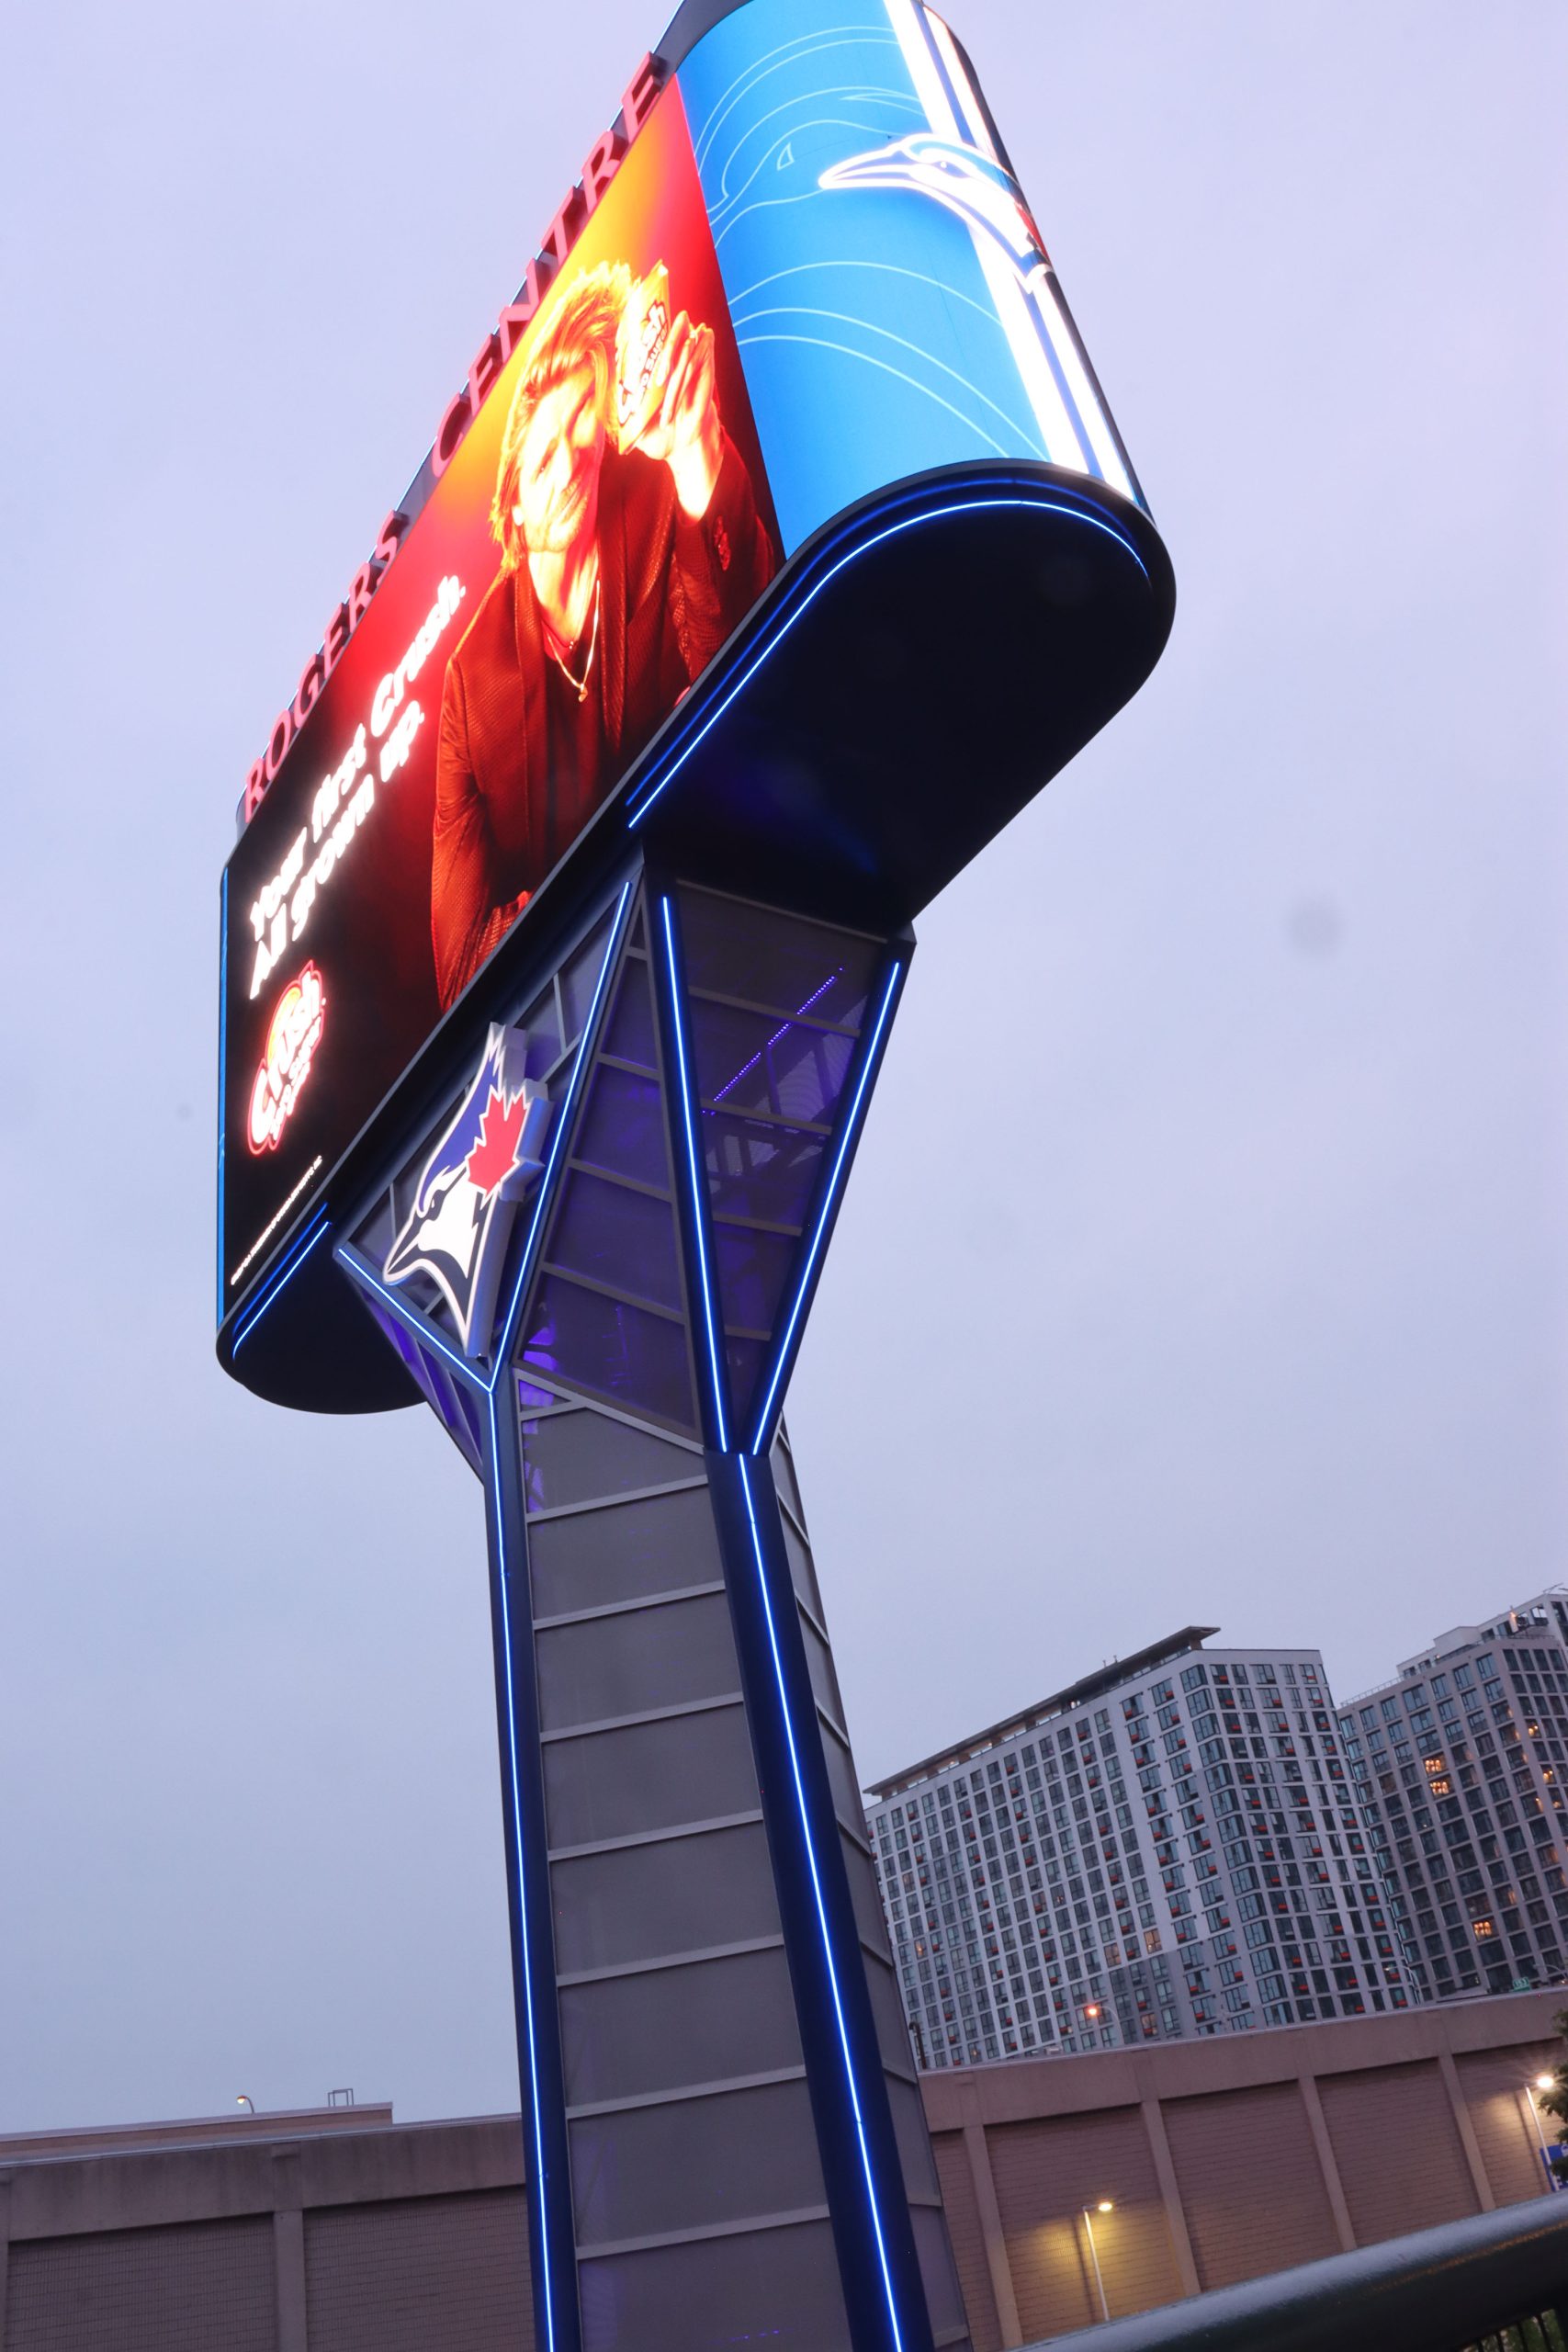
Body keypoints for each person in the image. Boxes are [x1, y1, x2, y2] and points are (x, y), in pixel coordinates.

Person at [431, 262, 775, 1009]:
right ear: (511, 503)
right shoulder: (472, 679)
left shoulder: (657, 497)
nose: (566, 469)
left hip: (733, 885)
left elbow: (743, 672)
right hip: (587, 986)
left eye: (581, 431)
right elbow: (459, 968)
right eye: (542, 458)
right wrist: (593, 879)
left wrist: (697, 459)